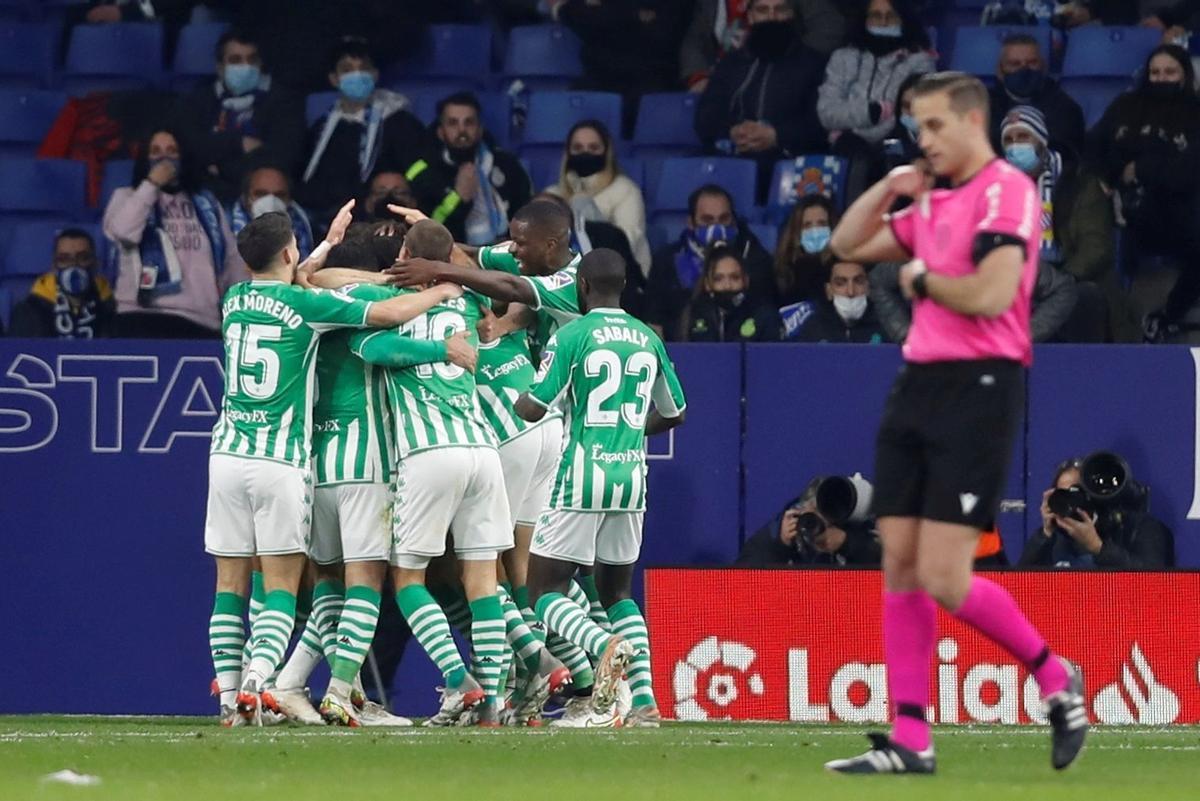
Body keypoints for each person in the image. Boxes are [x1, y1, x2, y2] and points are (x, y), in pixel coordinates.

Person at [824, 71, 1087, 774]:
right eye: (916, 127)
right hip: (917, 385)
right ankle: (911, 738)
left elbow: (994, 290)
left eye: (935, 125)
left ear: (973, 121)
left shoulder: (1007, 190)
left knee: (943, 575)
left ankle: (1055, 676)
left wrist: (920, 281)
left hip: (979, 388)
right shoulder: (934, 195)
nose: (924, 139)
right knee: (899, 563)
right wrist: (891, 186)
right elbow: (846, 243)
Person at [203, 208, 464, 726]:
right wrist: (441, 290)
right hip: (310, 460)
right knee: (335, 582)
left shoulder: (233, 300)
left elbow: (309, 277)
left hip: (233, 456)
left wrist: (321, 247)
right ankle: (287, 684)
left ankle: (235, 697)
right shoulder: (313, 307)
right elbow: (386, 317)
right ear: (287, 252)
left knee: (238, 585)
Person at [347, 222, 516, 729]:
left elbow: (371, 351)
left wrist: (430, 346)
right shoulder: (467, 304)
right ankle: (494, 700)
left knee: (407, 579)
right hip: (482, 453)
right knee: (482, 582)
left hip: (429, 452)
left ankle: (460, 680)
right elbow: (491, 298)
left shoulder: (391, 311)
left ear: (404, 258)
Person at [513, 247, 688, 728]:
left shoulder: (573, 334)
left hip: (581, 476)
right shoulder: (647, 338)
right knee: (617, 591)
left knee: (543, 588)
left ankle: (601, 645)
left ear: (582, 287)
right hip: (631, 478)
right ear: (623, 285)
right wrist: (630, 433)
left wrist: (513, 395)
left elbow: (533, 406)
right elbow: (676, 411)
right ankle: (647, 702)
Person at [1087, 44, 1200, 342]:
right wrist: (1111, 173)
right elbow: (1097, 146)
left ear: (1184, 75)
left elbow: (1187, 171)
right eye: (1155, 72)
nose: (1161, 79)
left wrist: (1140, 167)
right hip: (1133, 208)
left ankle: (1168, 314)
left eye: (1170, 72)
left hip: (1183, 206)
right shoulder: (1126, 105)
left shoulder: (1196, 110)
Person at [998, 106, 1135, 341]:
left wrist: (1059, 282)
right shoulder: (995, 190)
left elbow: (1096, 246)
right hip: (1014, 281)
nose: (1015, 146)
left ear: (1041, 141)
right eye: (1009, 140)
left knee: (1081, 298)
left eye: (1023, 137)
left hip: (1072, 276)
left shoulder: (1080, 184)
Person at [104, 129, 247, 339]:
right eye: (155, 151)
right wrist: (151, 184)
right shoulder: (127, 197)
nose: (164, 158)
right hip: (141, 317)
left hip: (200, 320)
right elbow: (123, 232)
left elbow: (232, 261)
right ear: (145, 159)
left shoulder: (206, 204)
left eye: (172, 150)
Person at [299, 37, 426, 231]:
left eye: (363, 68)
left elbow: (417, 175)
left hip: (379, 223)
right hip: (325, 221)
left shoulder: (399, 122)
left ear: (375, 74)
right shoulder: (322, 127)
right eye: (348, 69)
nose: (357, 74)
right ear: (334, 78)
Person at [816, 0, 934, 199]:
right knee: (853, 155)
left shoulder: (920, 62)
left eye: (891, 16)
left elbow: (909, 112)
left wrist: (865, 126)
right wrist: (872, 113)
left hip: (895, 143)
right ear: (865, 20)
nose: (884, 22)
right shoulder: (842, 58)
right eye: (876, 16)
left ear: (903, 19)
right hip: (848, 145)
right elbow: (827, 112)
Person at [695, 0, 828, 175]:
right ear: (750, 16)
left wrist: (776, 136)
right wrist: (732, 131)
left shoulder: (814, 64)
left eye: (780, 9)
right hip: (731, 158)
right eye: (762, 10)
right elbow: (706, 116)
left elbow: (820, 123)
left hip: (790, 164)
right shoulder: (731, 63)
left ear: (792, 14)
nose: (772, 17)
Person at [175, 29, 305, 204]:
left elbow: (282, 158)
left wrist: (220, 166)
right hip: (204, 197)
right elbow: (191, 149)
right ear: (220, 67)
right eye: (236, 60)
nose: (245, 66)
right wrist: (239, 143)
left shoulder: (284, 102)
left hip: (263, 199)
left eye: (252, 60)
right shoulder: (199, 100)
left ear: (260, 64)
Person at [646, 184, 775, 339]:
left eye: (724, 219)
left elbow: (768, 315)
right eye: (707, 220)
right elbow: (654, 322)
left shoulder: (756, 259)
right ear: (691, 223)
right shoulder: (667, 260)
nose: (716, 227)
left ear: (733, 220)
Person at [405, 92, 531, 247]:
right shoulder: (422, 171)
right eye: (453, 123)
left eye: (469, 122)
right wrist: (458, 198)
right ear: (440, 131)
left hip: (504, 253)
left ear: (479, 129)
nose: (462, 130)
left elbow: (526, 214)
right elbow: (426, 228)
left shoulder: (508, 165)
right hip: (448, 255)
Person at [1019, 457, 1175, 569]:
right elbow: (1020, 587)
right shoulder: (1054, 538)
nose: (1071, 500)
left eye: (1076, 491)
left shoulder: (1141, 528)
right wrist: (1045, 533)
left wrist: (1098, 547)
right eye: (1063, 494)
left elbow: (1153, 583)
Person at [544, 120, 651, 275]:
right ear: (568, 153)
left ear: (606, 152)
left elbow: (629, 241)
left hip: (617, 278)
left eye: (593, 148)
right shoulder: (553, 194)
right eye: (577, 148)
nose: (585, 153)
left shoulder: (625, 190)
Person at [681, 0, 847, 93]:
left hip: (782, 78)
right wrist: (698, 76)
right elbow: (694, 39)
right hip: (725, 77)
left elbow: (830, 28)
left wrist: (794, 62)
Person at [736, 478, 882, 566]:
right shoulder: (789, 529)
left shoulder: (857, 530)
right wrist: (780, 545)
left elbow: (893, 566)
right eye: (812, 512)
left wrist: (845, 543)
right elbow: (743, 577)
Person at [988, 34, 1085, 157]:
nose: (1024, 69)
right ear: (1000, 70)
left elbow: (1067, 155)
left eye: (1032, 63)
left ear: (1043, 67)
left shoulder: (1065, 108)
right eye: (1015, 64)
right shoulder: (985, 107)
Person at [9, 228, 115, 339]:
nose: (74, 265)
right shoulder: (28, 311)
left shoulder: (113, 307)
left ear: (95, 263)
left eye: (83, 258)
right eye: (64, 259)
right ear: (54, 266)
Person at [683, 245, 782, 342]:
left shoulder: (764, 317)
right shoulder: (694, 314)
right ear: (707, 284)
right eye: (718, 279)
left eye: (735, 278)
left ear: (746, 281)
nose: (727, 286)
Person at [785, 259, 885, 342]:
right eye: (840, 283)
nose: (850, 292)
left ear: (868, 287)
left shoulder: (886, 326)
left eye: (858, 282)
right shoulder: (813, 329)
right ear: (829, 291)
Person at [229, 165, 314, 258]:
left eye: (279, 195)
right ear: (246, 197)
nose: (270, 201)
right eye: (261, 194)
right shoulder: (226, 225)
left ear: (289, 199)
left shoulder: (301, 226)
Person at [774, 194, 837, 305]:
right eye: (807, 225)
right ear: (797, 231)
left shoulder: (842, 265)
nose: (815, 231)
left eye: (822, 224)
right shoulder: (782, 268)